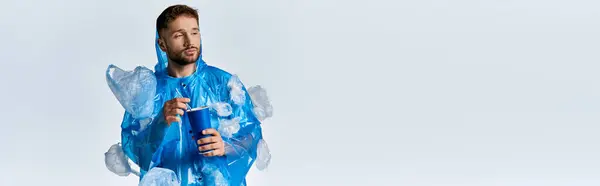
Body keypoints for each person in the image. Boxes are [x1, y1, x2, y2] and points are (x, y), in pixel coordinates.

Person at [116, 4, 264, 186]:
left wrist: (225, 146)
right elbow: (135, 150)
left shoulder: (225, 84)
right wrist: (159, 123)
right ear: (162, 44)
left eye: (194, 32)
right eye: (179, 35)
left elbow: (252, 135)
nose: (189, 41)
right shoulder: (148, 94)